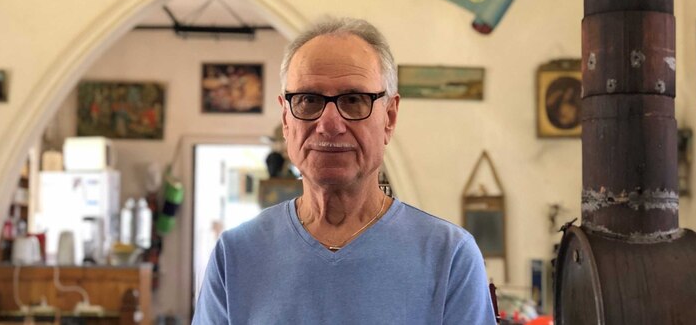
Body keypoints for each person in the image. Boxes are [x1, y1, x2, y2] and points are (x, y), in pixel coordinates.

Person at [193, 17, 494, 324]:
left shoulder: (449, 257)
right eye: (309, 100)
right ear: (286, 119)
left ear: (389, 117)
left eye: (353, 100)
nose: (329, 124)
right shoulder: (236, 256)